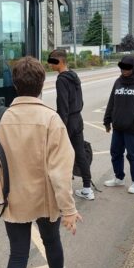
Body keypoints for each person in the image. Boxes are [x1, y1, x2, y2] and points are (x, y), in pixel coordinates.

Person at [0, 56, 82, 268]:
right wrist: (69, 210)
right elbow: (60, 172)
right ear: (43, 83)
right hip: (45, 198)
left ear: (15, 85)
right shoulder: (51, 119)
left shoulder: (0, 119)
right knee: (52, 242)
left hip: (13, 197)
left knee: (18, 255)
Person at [48, 49, 94, 201]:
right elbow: (80, 101)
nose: (50, 65)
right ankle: (87, 188)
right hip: (78, 119)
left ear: (60, 61)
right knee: (80, 153)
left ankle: (63, 190)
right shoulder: (74, 76)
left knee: (61, 156)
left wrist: (61, 127)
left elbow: (63, 106)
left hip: (67, 121)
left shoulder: (61, 79)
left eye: (52, 62)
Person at [103, 55, 134, 194]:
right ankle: (119, 178)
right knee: (115, 153)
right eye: (122, 67)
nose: (124, 70)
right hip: (118, 126)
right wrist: (107, 120)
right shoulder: (118, 81)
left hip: (133, 128)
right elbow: (112, 102)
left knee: (132, 155)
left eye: (127, 67)